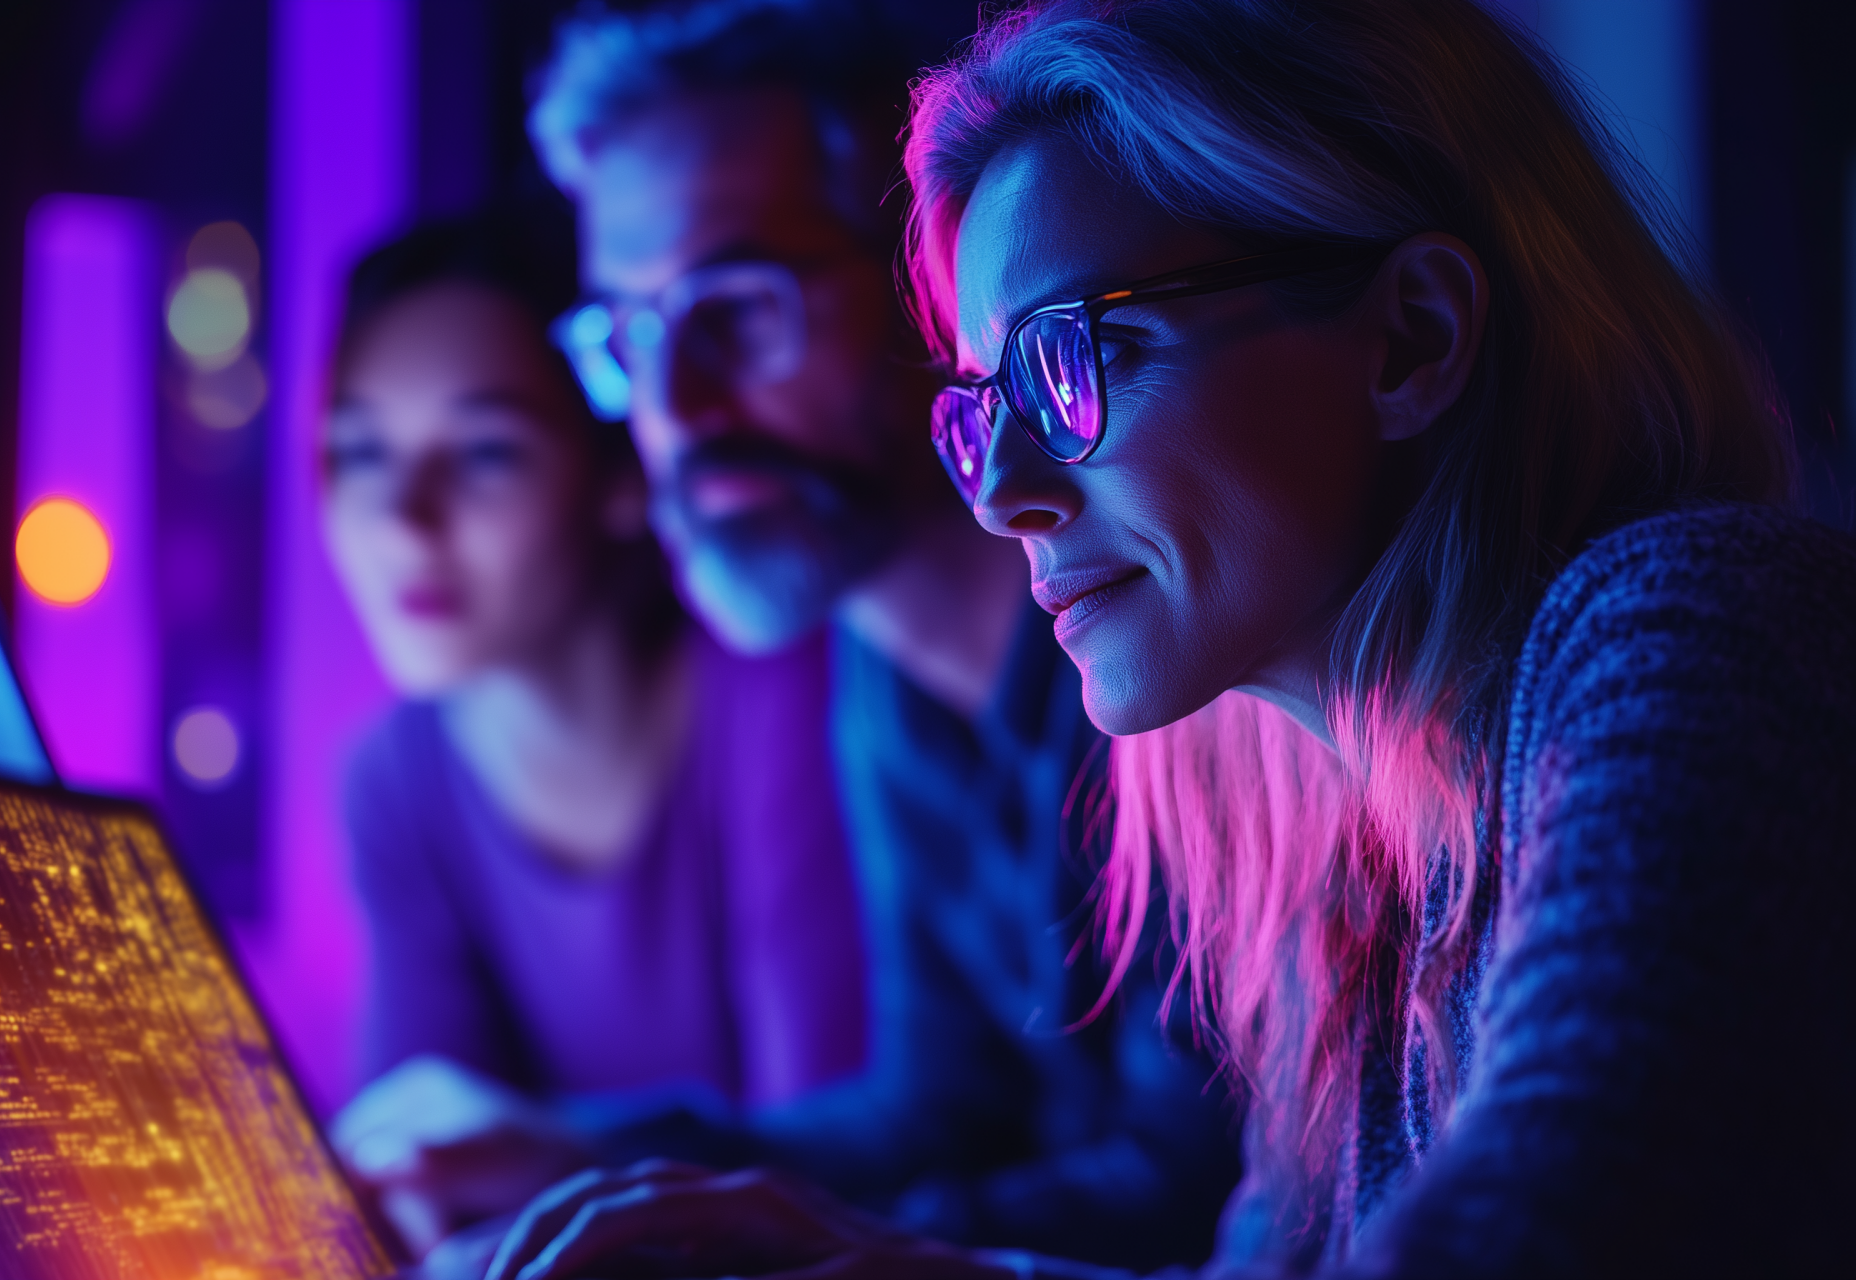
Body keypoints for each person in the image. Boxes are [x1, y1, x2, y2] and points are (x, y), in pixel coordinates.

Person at [486, 0, 1856, 1277]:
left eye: (1075, 360)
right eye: (987, 403)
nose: (1008, 495)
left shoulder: (1701, 623)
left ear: (1413, 338)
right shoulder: (1335, 865)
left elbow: (1538, 1238)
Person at [478, 0, 1243, 1269]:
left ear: (929, 280)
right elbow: (945, 1113)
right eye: (629, 333)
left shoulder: (1177, 641)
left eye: (737, 306)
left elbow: (1194, 1193)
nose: (673, 413)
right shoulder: (889, 677)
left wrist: (778, 1248)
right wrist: (586, 1165)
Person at [316, 211, 867, 1266]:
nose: (404, 517)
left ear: (620, 472)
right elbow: (417, 1174)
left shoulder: (773, 696)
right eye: (360, 453)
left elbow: (818, 1187)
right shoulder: (394, 778)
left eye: (484, 454)